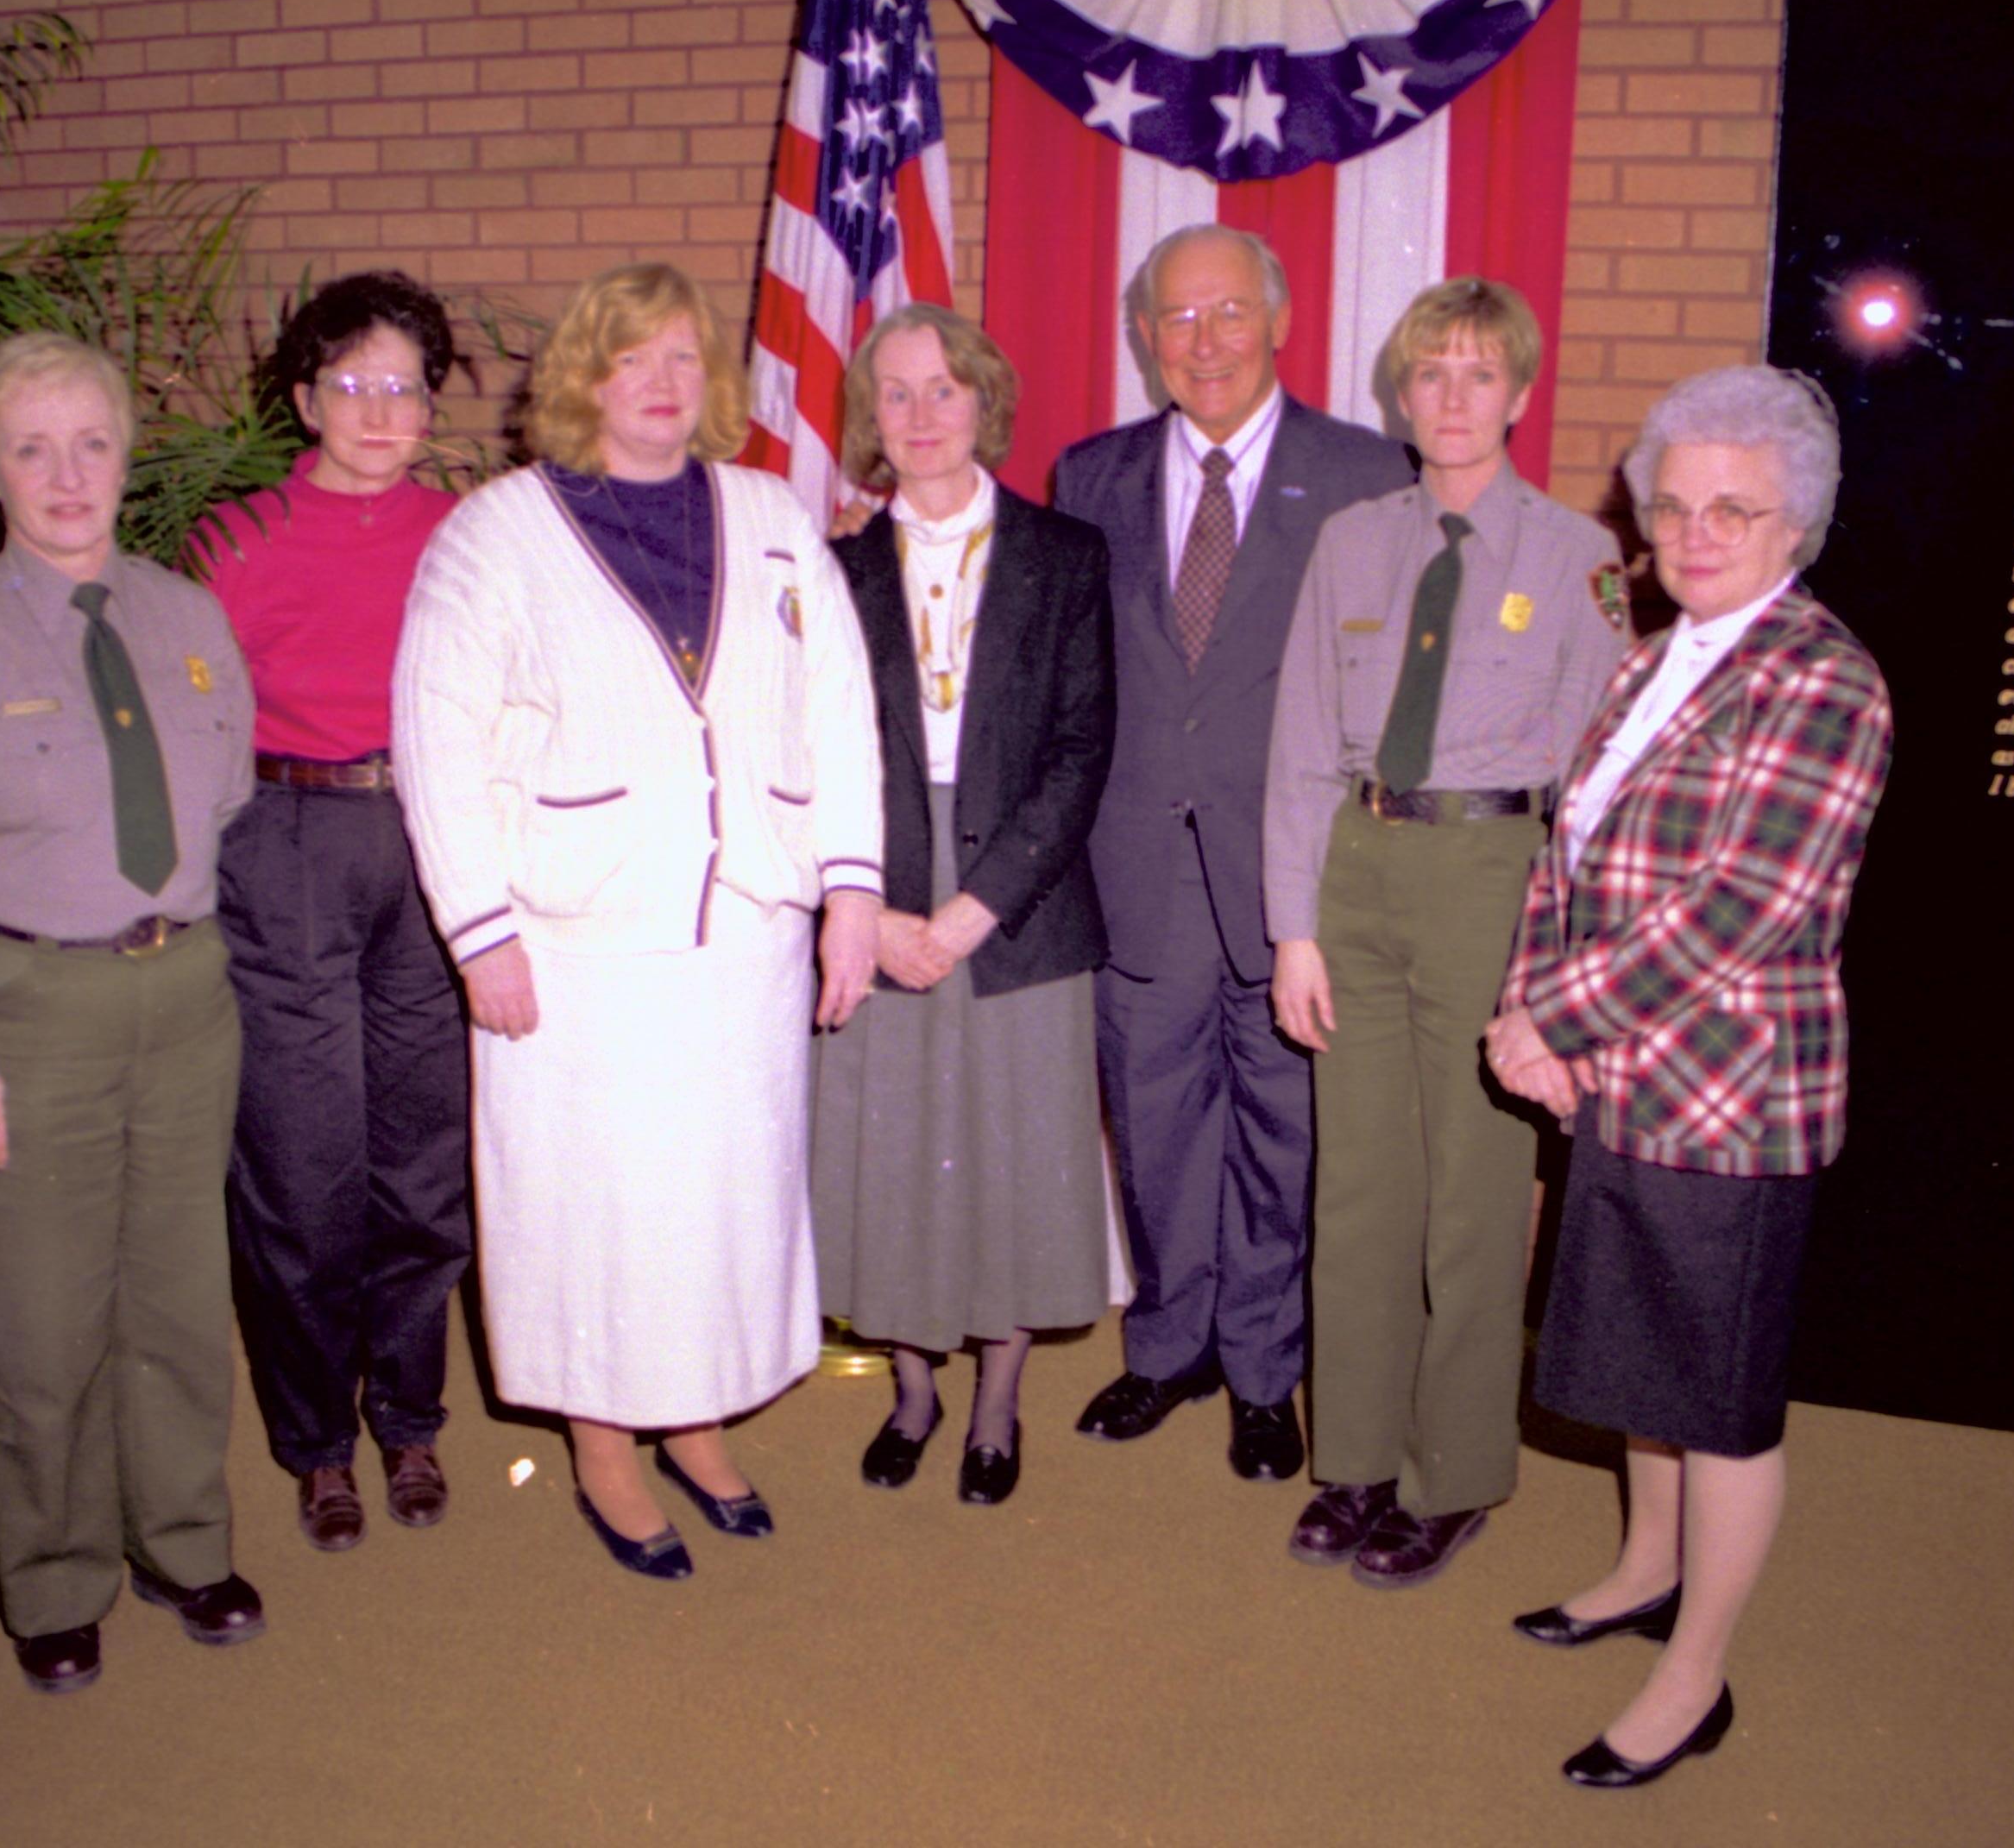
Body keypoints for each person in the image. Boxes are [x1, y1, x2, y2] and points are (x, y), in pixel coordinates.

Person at [390, 261, 881, 1581]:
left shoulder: (771, 512)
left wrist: (852, 886)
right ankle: (605, 1443)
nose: (662, 384)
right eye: (632, 359)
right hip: (574, 936)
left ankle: (700, 1422)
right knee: (593, 1206)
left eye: (682, 357)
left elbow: (838, 705)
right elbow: (436, 735)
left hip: (746, 929)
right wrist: (477, 928)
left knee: (720, 1197)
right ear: (585, 380)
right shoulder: (495, 532)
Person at [1485, 364, 1893, 1788]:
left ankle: (1696, 1675)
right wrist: (1526, 1006)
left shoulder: (1826, 680)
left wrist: (1555, 1025)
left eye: (1736, 508)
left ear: (1799, 524)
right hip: (1620, 1083)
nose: (1698, 531)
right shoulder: (1657, 659)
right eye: (1675, 505)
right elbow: (1568, 858)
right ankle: (1643, 1569)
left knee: (1716, 1403)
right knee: (1636, 1364)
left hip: (1731, 1100)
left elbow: (1743, 912)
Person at [0, 331, 261, 1694]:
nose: (66, 473)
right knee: (41, 1324)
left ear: (126, 450)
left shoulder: (187, 617)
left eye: (90, 441)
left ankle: (184, 1543)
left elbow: (224, 798)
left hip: (186, 1003)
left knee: (180, 1301)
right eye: (32, 446)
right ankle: (58, 1578)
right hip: (23, 1014)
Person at [1263, 279, 1627, 1587]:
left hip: (1495, 875)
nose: (1454, 399)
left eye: (1480, 375)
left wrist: (1564, 967)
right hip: (1359, 868)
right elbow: (1306, 740)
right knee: (1358, 1188)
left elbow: (1598, 776)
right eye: (1432, 375)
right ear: (1401, 396)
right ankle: (1353, 1458)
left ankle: (1456, 1472)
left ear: (1521, 395)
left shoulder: (1577, 554)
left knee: (1475, 1197)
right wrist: (1292, 929)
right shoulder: (1356, 542)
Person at [1054, 224, 1411, 1480]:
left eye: (1225, 314)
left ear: (1279, 321)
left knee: (1284, 1131)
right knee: (1153, 1127)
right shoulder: (1087, 475)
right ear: (1144, 337)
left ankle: (1265, 1369)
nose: (1202, 342)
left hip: (1298, 880)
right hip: (1135, 866)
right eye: (1175, 319)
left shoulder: (1369, 471)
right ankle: (1168, 1350)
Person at [811, 304, 1114, 1505]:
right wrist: (872, 908)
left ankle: (996, 1400)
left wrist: (977, 906)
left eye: (946, 389)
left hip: (1020, 906)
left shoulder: (1066, 555)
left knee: (1014, 1157)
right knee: (890, 1154)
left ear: (985, 400)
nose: (924, 415)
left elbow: (1085, 747)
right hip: (873, 894)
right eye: (896, 394)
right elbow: (810, 757)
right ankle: (914, 1390)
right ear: (869, 420)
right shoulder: (829, 573)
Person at [194, 272, 471, 1554]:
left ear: (431, 407)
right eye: (351, 384)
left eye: (404, 386)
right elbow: (187, 724)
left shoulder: (470, 531)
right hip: (287, 842)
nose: (378, 409)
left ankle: (409, 1415)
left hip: (431, 846)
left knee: (421, 1162)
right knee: (305, 1173)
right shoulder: (235, 539)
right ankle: (317, 1446)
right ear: (305, 399)